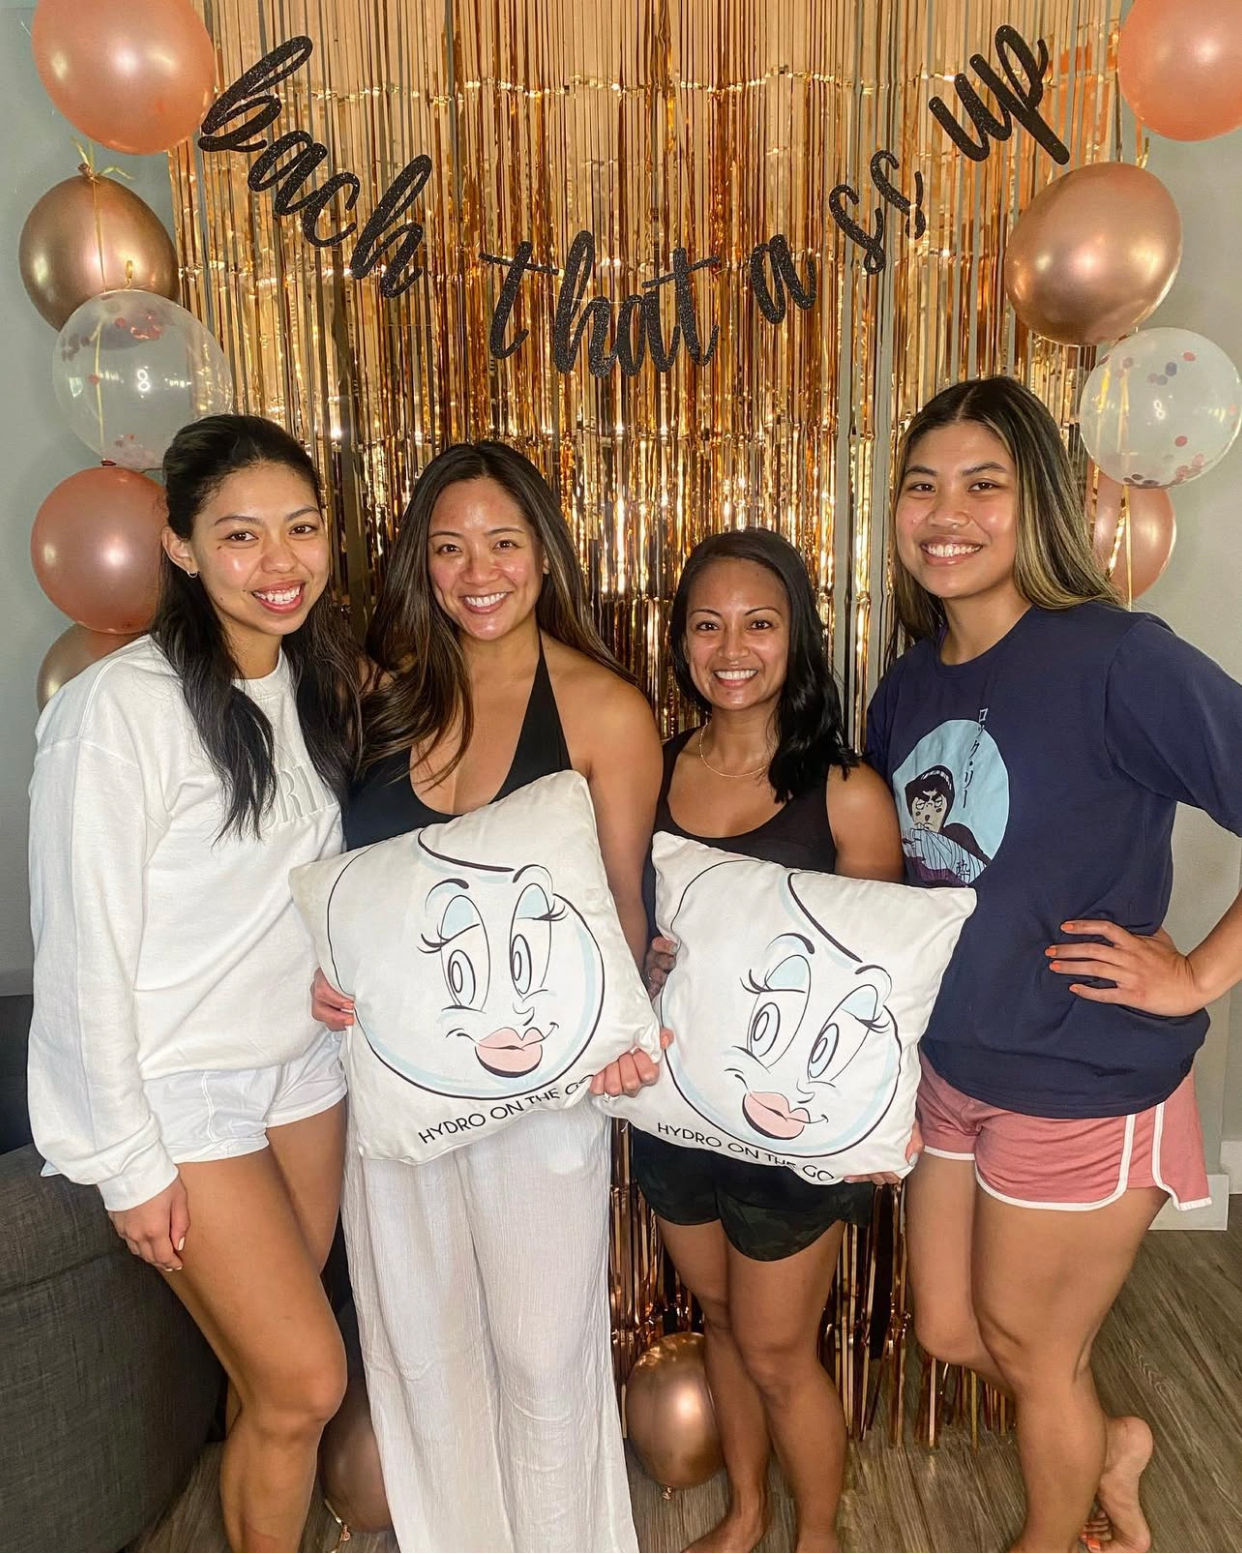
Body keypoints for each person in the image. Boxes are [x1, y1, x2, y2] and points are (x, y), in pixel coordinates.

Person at [864, 374, 1242, 1554]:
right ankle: (1106, 1436)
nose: (947, 512)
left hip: (1082, 1075)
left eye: (985, 484)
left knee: (1034, 1353)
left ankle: (1062, 1531)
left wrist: (1198, 976)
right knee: (951, 1330)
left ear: (1041, 505)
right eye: (923, 485)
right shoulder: (909, 682)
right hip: (957, 1065)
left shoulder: (1119, 658)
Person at [311, 440, 663, 1552]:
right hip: (392, 1092)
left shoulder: (605, 710)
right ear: (420, 559)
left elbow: (622, 912)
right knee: (421, 1352)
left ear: (543, 556)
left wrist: (628, 1036)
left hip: (544, 1100)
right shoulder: (379, 692)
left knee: (544, 1356)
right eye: (449, 545)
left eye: (504, 542)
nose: (479, 570)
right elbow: (335, 880)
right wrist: (329, 974)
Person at [27, 415, 363, 1553]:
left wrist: (339, 972)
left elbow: (303, 884)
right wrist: (127, 1162)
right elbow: (84, 952)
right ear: (177, 546)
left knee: (266, 1379)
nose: (281, 564)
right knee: (307, 1382)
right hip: (184, 1091)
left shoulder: (314, 687)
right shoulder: (116, 711)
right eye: (240, 536)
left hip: (302, 1073)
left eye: (302, 529)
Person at [637, 528, 905, 1554]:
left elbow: (873, 989)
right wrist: (645, 964)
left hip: (797, 1130)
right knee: (717, 1318)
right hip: (676, 1112)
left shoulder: (846, 793)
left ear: (798, 637)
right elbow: (616, 937)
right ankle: (749, 1515)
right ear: (682, 642)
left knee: (780, 1346)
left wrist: (877, 1130)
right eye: (708, 624)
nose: (732, 646)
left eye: (760, 621)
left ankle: (819, 1535)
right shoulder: (649, 777)